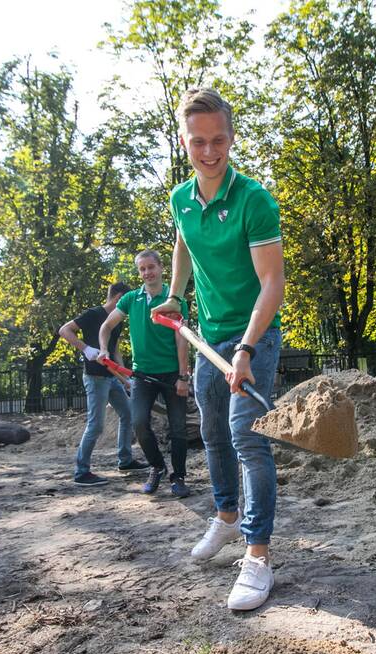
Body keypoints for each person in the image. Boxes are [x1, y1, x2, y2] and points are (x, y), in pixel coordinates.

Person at [150, 88, 284, 611]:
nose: (209, 151)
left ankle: (257, 555)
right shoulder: (181, 198)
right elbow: (184, 239)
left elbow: (272, 283)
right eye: (198, 142)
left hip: (254, 333)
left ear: (231, 138)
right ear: (185, 142)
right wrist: (176, 295)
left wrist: (248, 348)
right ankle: (227, 517)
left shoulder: (254, 199)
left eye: (219, 141)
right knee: (210, 432)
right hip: (207, 336)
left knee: (246, 438)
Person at [98, 250, 192, 498]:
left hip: (172, 374)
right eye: (142, 269)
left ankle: (179, 477)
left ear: (161, 268)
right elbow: (106, 326)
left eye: (151, 267)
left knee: (178, 428)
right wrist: (104, 348)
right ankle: (158, 467)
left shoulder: (174, 300)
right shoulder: (130, 299)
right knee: (138, 422)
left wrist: (183, 376)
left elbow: (182, 339)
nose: (147, 272)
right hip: (142, 375)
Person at [57, 282, 148, 486]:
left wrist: (126, 379)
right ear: (117, 298)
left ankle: (125, 461)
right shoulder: (93, 314)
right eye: (125, 302)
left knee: (128, 414)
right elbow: (64, 330)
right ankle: (81, 472)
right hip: (95, 378)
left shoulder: (116, 322)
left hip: (111, 377)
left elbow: (114, 351)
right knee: (96, 425)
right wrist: (86, 349)